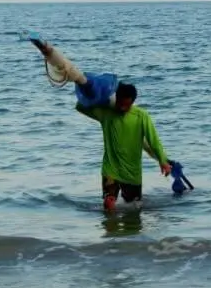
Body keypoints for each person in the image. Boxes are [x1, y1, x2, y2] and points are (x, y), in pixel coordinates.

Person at [74, 82, 172, 212]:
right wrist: (94, 92)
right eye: (120, 103)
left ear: (133, 102)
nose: (122, 108)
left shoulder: (141, 116)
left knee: (134, 210)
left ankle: (130, 233)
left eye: (127, 105)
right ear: (116, 98)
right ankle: (111, 230)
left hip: (132, 174)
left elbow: (153, 140)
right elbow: (80, 106)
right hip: (111, 170)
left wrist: (162, 161)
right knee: (108, 203)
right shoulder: (106, 112)